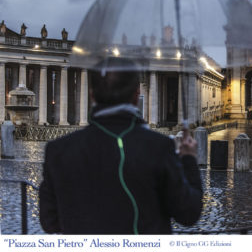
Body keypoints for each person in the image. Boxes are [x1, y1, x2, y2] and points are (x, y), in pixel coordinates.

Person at [39, 58, 203, 234]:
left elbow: (49, 221)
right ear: (136, 93)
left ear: (92, 95)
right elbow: (188, 213)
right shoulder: (159, 147)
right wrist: (188, 159)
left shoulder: (58, 150)